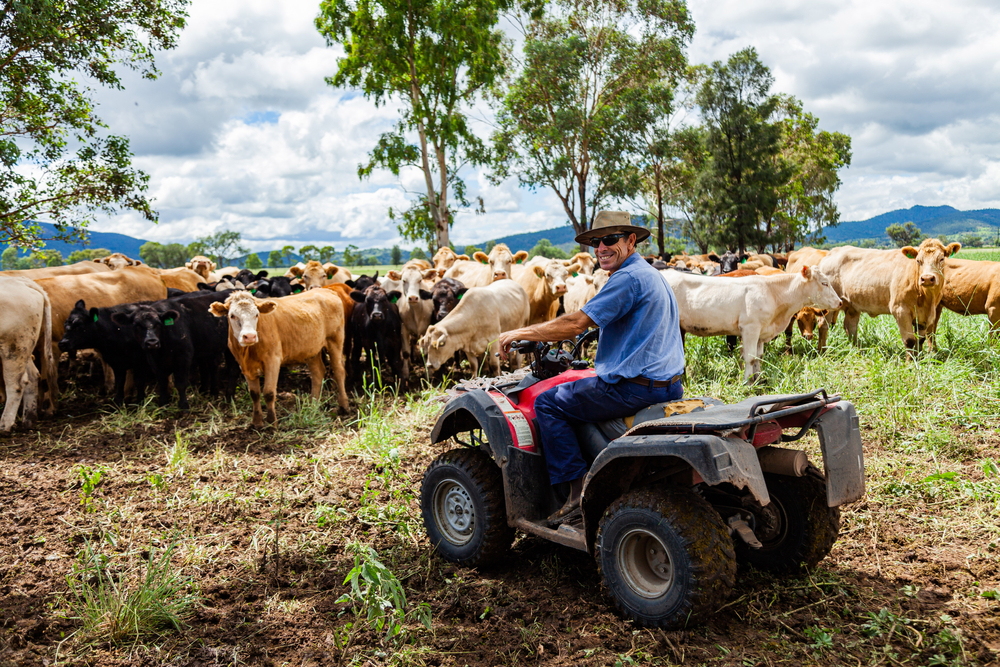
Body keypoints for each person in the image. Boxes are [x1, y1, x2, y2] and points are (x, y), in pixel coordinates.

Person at [499, 211, 686, 524]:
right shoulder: (649, 273)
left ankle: (575, 493)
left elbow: (575, 323)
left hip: (633, 389)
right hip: (669, 384)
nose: (601, 247)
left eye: (610, 239)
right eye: (596, 241)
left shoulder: (627, 278)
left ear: (630, 241)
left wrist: (521, 332)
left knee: (548, 403)